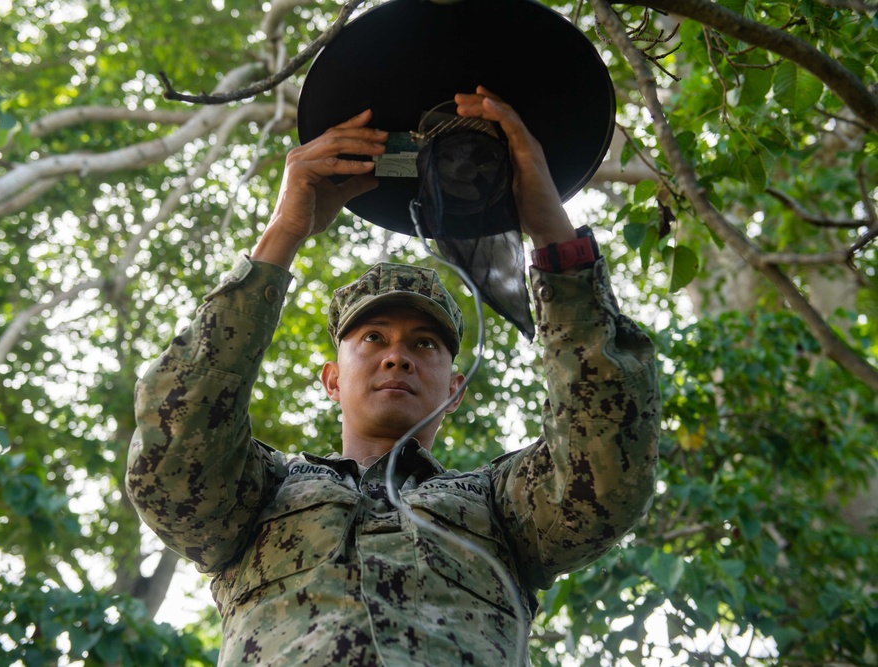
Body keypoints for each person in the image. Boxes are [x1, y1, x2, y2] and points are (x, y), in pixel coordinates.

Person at [126, 86, 661, 666]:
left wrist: (552, 234)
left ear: (454, 389)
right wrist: (284, 231)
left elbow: (609, 467)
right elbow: (172, 454)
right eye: (373, 339)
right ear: (331, 380)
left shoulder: (500, 507)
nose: (397, 357)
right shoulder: (262, 494)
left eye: (424, 344)